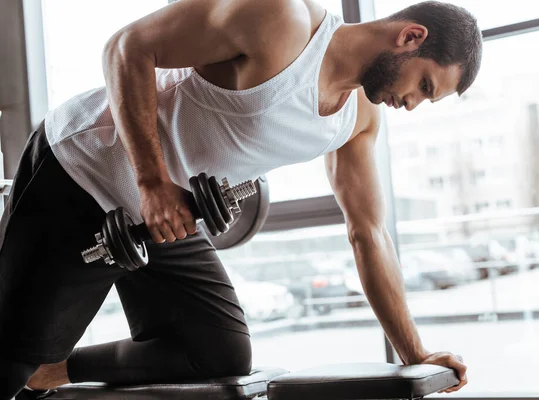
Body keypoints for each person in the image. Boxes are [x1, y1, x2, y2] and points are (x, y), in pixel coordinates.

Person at [0, 0, 482, 398]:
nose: (413, 104)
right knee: (6, 366)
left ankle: (50, 370)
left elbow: (369, 234)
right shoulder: (281, 20)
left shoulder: (356, 119)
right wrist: (152, 184)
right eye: (423, 85)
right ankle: (25, 364)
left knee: (216, 352)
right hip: (84, 168)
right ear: (411, 36)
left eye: (427, 98)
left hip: (162, 217)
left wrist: (415, 354)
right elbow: (127, 48)